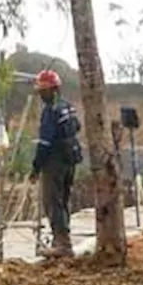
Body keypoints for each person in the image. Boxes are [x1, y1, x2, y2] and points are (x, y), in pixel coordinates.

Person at [28, 69, 83, 258]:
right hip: (70, 159)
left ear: (52, 90)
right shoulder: (68, 106)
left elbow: (45, 142)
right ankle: (60, 239)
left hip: (55, 162)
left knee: (53, 202)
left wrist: (36, 168)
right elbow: (77, 126)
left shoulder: (50, 111)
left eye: (44, 91)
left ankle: (62, 244)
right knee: (63, 200)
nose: (42, 95)